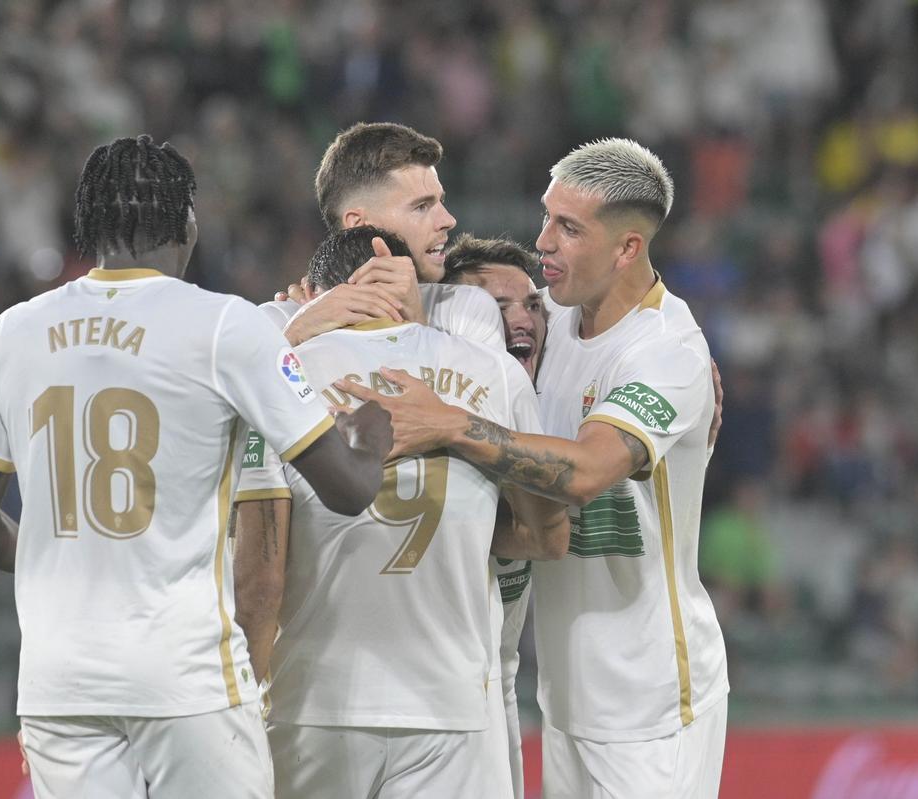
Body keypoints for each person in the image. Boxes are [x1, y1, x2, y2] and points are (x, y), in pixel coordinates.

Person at [0, 135, 392, 799]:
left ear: (86, 227)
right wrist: (371, 433)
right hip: (185, 674)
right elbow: (350, 491)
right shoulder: (224, 326)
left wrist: (62, 558)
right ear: (188, 223)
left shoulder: (13, 331)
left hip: (58, 681)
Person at [338, 139, 729, 799]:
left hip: (652, 701)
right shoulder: (550, 321)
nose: (542, 241)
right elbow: (441, 311)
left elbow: (583, 472)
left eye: (568, 229)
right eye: (547, 216)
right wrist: (316, 305)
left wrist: (451, 422)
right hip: (569, 697)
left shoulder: (666, 353)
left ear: (627, 248)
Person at [233, 225, 568, 799]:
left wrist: (241, 706)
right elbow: (548, 537)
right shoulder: (497, 374)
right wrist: (466, 524)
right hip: (452, 708)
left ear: (320, 291)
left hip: (313, 703)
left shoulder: (282, 375)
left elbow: (261, 576)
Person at [440, 234, 547, 799]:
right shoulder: (419, 413)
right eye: (493, 307)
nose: (519, 319)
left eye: (531, 304)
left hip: (498, 685)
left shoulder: (551, 401)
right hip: (430, 701)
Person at [271, 122, 504, 352]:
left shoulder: (469, 312)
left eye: (440, 201)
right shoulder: (279, 321)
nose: (448, 220)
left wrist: (416, 325)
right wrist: (294, 336)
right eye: (421, 206)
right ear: (358, 225)